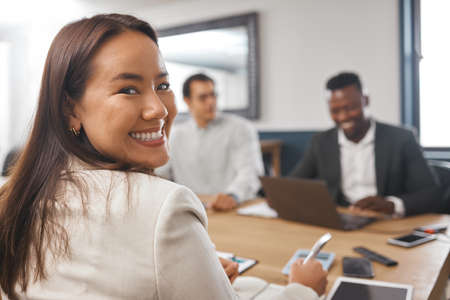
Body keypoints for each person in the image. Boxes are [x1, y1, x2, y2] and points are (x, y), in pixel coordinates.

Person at [0, 14, 327, 299]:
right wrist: (304, 290)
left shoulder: (16, 196)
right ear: (70, 109)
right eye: (128, 89)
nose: (158, 108)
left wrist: (192, 267)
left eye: (163, 84)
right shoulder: (164, 207)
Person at [290, 72, 438, 217]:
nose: (343, 116)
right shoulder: (321, 142)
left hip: (386, 221)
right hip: (341, 219)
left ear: (365, 100)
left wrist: (391, 205)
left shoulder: (401, 139)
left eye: (350, 108)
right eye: (335, 111)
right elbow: (294, 183)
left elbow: (431, 193)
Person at [157, 73, 264, 211]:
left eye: (213, 95)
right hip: (192, 209)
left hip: (235, 207)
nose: (211, 102)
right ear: (188, 101)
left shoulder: (241, 129)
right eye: (203, 97)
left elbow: (251, 173)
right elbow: (161, 176)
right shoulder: (174, 136)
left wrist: (233, 195)